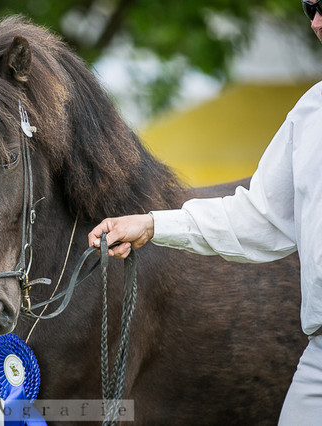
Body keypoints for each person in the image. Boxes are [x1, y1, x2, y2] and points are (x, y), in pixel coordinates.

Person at [88, 3, 322, 425]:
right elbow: (258, 217)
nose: (315, 21)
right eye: (311, 7)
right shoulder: (311, 113)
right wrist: (153, 223)